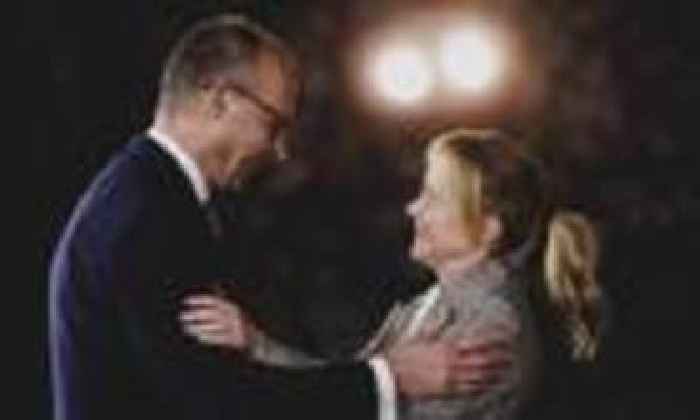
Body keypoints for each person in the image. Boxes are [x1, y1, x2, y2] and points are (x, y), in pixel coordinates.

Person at [48, 15, 513, 420]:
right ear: (220, 100)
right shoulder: (149, 213)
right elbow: (214, 405)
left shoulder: (148, 193)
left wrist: (258, 346)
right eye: (274, 125)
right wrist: (385, 379)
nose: (280, 151)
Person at [182, 128, 604, 419]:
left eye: (433, 198)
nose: (412, 208)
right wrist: (255, 343)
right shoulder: (424, 305)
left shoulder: (493, 326)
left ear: (487, 229)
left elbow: (355, 404)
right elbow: (348, 385)